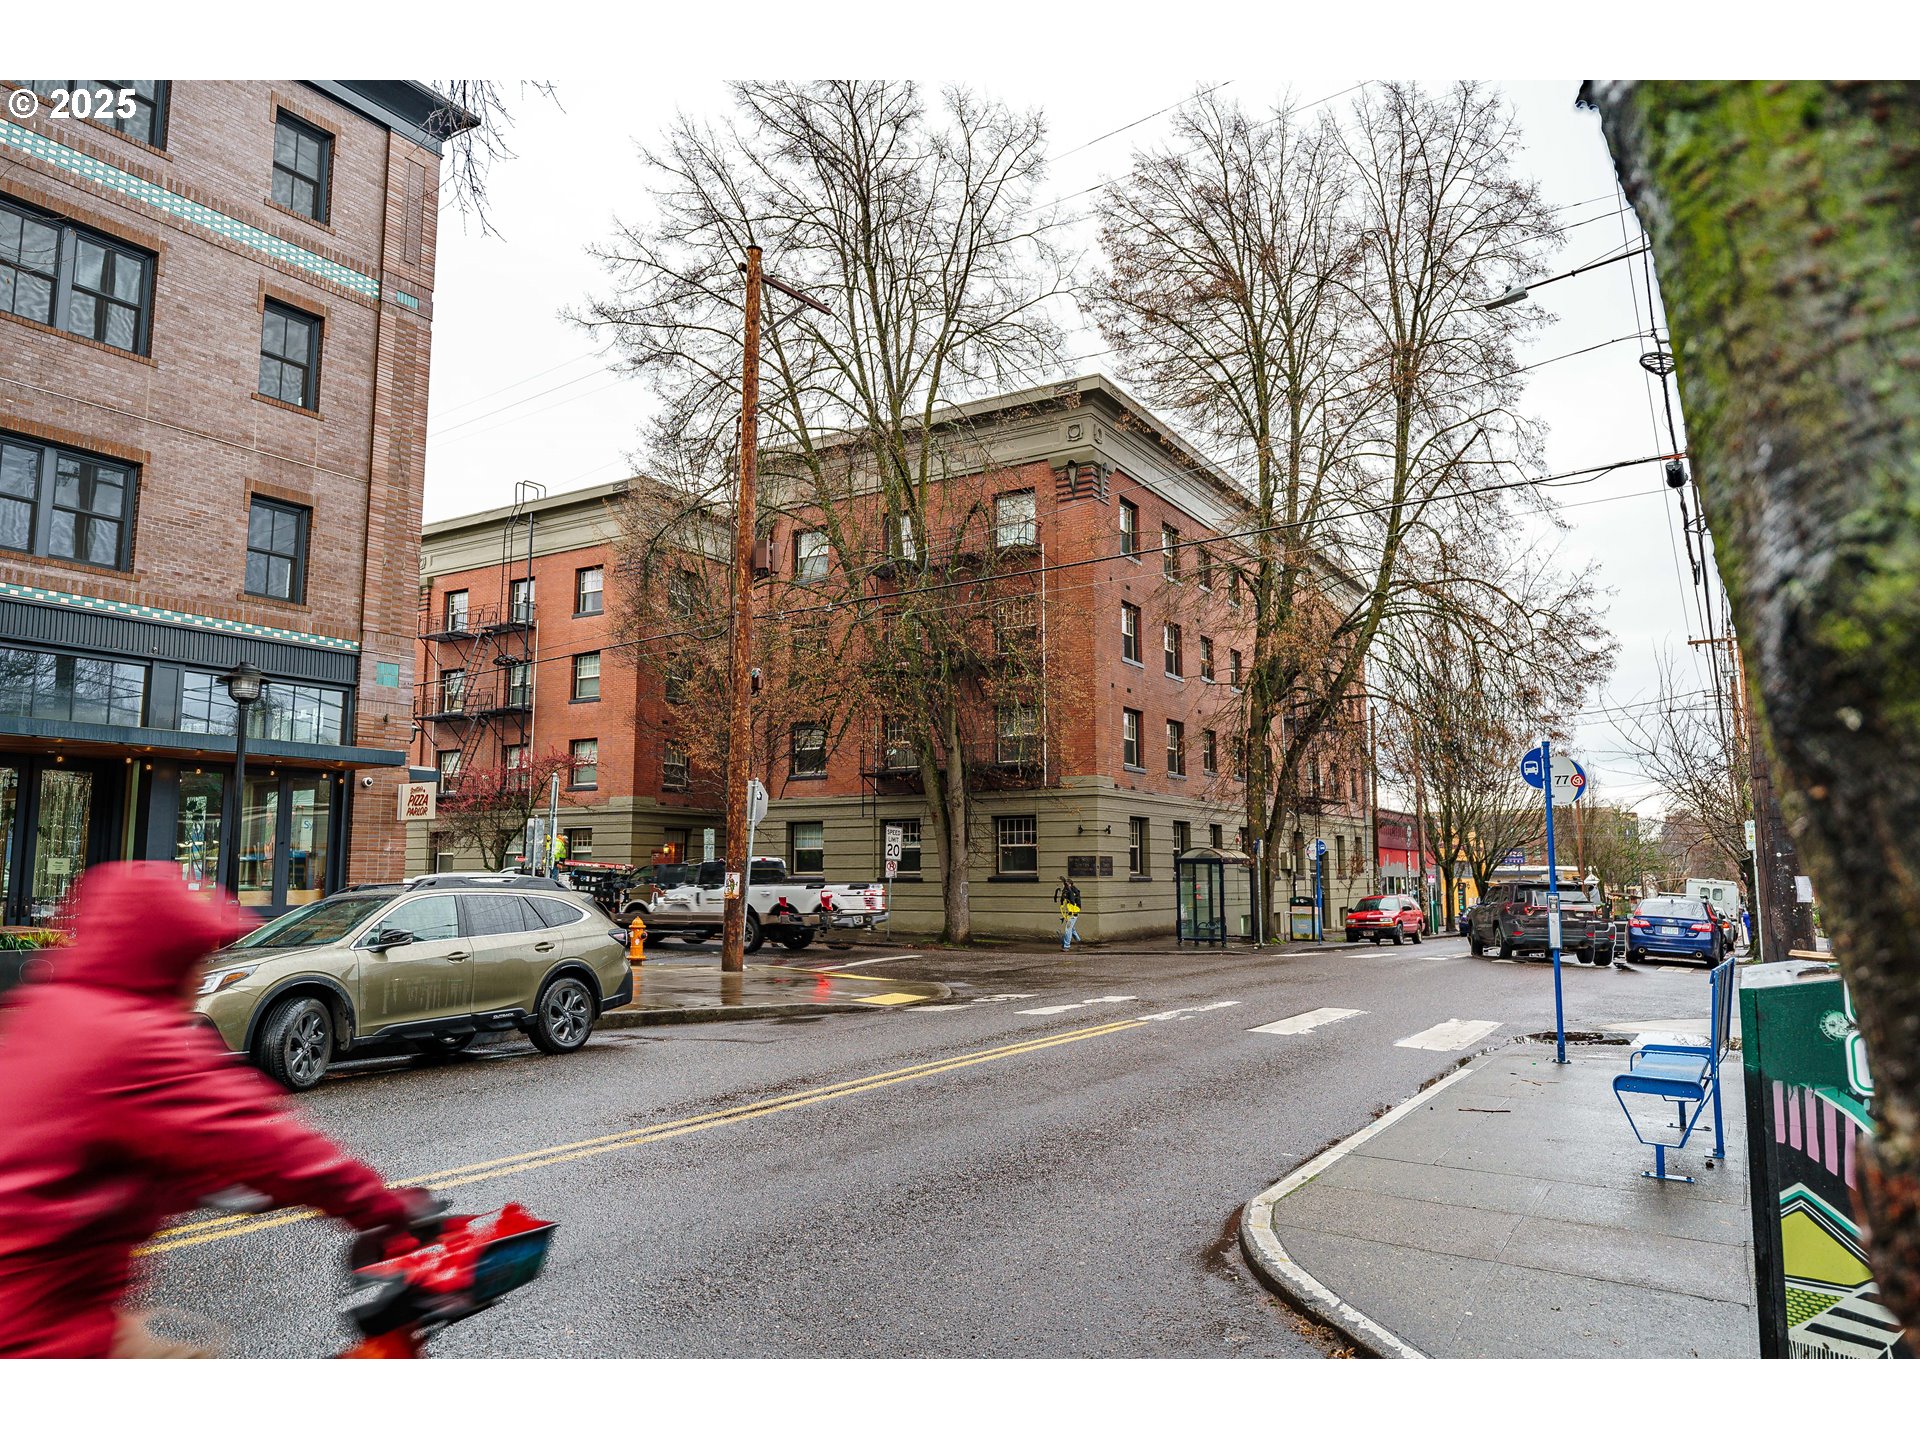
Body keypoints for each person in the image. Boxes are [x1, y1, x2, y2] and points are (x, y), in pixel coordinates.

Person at [0, 863, 434, 1358]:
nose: (203, 972)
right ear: (168, 958)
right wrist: (385, 1207)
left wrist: (192, 1182)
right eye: (198, 958)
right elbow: (268, 1146)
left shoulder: (49, 1009)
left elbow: (80, 1148)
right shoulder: (134, 1040)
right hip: (40, 1327)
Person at [1054, 876, 1083, 951]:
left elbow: (1072, 899)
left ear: (1069, 884)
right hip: (1070, 914)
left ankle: (1066, 946)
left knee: (1068, 929)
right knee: (1072, 929)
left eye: (1065, 884)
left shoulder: (1073, 892)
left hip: (1073, 914)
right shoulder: (1069, 891)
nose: (1063, 886)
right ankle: (1079, 942)